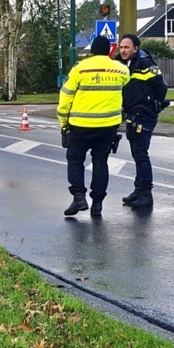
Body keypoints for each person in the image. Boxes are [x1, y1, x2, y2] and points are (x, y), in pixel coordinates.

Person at [58, 36, 129, 217]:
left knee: (75, 160)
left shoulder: (80, 69)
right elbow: (126, 91)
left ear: (92, 51)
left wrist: (63, 122)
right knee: (100, 163)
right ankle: (97, 203)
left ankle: (79, 197)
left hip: (80, 126)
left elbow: (66, 96)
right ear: (109, 51)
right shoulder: (122, 70)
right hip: (108, 127)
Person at [116, 34, 167, 209]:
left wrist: (153, 104)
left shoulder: (145, 63)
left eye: (126, 47)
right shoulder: (122, 64)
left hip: (145, 113)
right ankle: (138, 190)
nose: (123, 50)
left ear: (135, 48)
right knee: (136, 152)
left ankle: (146, 193)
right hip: (132, 113)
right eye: (121, 47)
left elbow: (161, 85)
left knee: (141, 153)